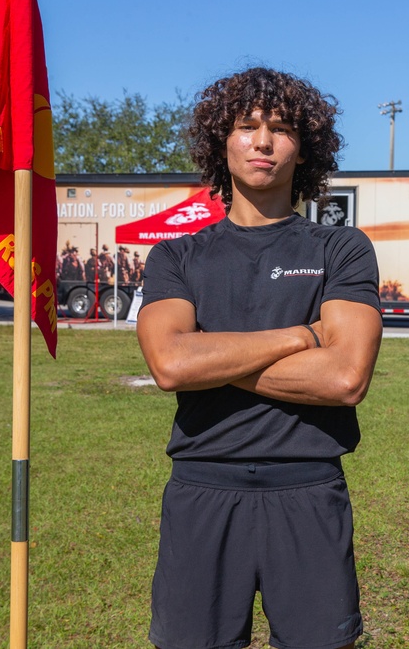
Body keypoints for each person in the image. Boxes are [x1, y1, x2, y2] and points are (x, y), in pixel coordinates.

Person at [136, 67, 382, 649]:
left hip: (308, 488)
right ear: (221, 141)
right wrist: (299, 336)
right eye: (247, 126)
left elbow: (345, 378)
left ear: (307, 146)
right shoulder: (177, 256)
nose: (264, 142)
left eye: (282, 129)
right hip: (202, 488)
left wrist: (212, 353)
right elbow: (170, 365)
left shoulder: (340, 248)